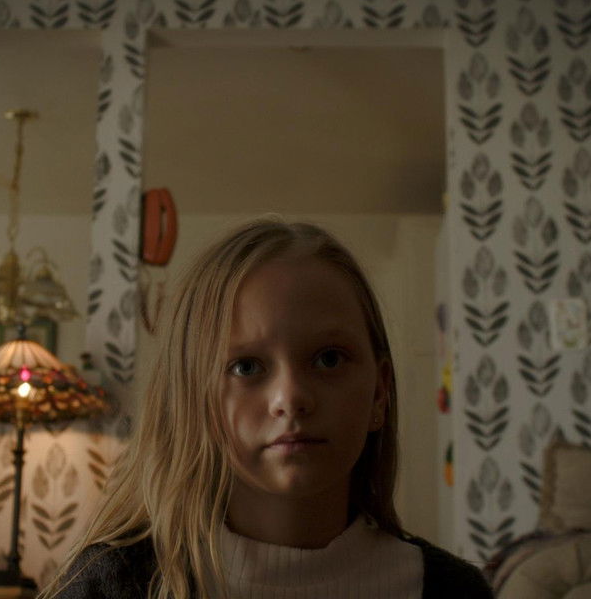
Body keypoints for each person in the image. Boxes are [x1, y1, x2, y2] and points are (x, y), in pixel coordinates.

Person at [41, 217, 492, 599]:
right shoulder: (112, 585)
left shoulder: (453, 590)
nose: (291, 397)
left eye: (329, 359)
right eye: (246, 367)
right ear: (195, 401)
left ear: (380, 393)